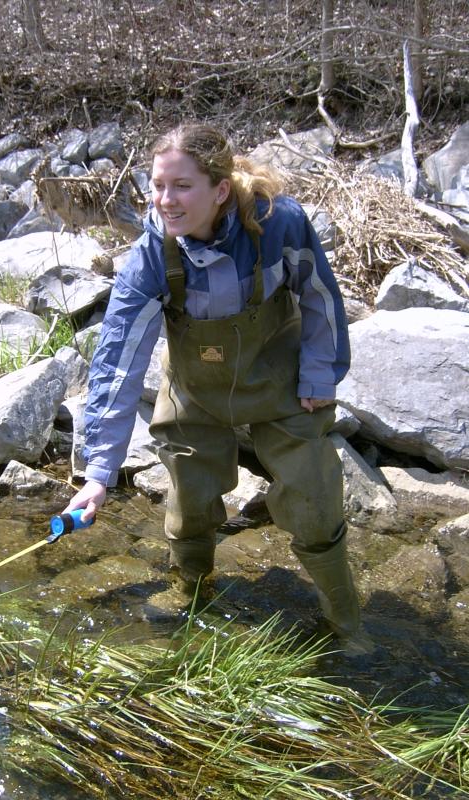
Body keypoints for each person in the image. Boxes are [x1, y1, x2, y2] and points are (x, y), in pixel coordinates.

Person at [62, 122, 372, 655]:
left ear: (220, 190)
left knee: (314, 500)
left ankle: (345, 623)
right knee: (190, 501)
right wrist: (98, 474)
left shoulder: (280, 225)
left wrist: (321, 376)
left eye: (181, 186)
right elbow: (117, 364)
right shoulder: (151, 257)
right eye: (158, 186)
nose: (165, 200)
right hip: (195, 391)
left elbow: (321, 297)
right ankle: (192, 588)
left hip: (280, 382)